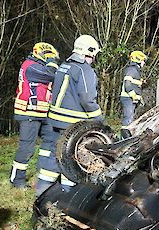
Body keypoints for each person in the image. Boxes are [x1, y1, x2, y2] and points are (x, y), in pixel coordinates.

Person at [35, 35, 103, 196]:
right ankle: (68, 194)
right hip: (71, 123)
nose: (94, 59)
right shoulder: (84, 70)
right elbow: (87, 98)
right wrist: (98, 118)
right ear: (90, 52)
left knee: (53, 154)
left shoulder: (64, 66)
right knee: (70, 158)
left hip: (54, 119)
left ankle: (42, 192)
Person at [9, 42, 59, 189]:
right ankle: (17, 179)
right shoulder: (30, 66)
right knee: (27, 148)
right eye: (48, 56)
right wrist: (52, 62)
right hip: (29, 112)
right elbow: (52, 75)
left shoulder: (39, 66)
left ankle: (43, 173)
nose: (51, 59)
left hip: (43, 112)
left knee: (49, 143)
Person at [119, 50, 147, 138]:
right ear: (138, 59)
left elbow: (134, 85)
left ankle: (127, 138)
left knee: (131, 120)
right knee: (128, 120)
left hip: (131, 99)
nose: (144, 63)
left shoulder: (135, 71)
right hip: (128, 99)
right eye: (143, 60)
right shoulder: (132, 70)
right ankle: (124, 140)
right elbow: (127, 84)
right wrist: (134, 96)